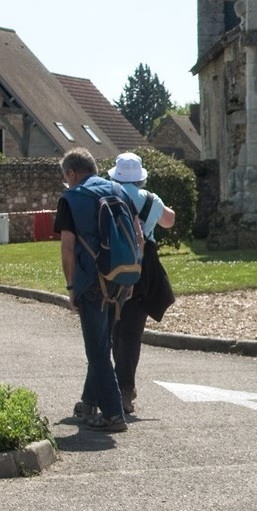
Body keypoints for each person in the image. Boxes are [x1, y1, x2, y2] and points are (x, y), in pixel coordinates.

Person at [55, 147, 131, 432]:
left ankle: (113, 413)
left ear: (72, 173)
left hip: (92, 281)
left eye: (66, 177)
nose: (66, 182)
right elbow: (135, 234)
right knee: (103, 342)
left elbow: (67, 248)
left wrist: (72, 286)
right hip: (121, 277)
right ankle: (88, 403)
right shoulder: (118, 190)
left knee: (97, 350)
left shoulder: (72, 199)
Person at [104, 152, 176, 415]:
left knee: (115, 327)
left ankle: (115, 384)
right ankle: (125, 388)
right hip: (142, 265)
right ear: (141, 178)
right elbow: (169, 220)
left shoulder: (108, 195)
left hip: (112, 263)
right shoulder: (149, 199)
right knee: (133, 331)